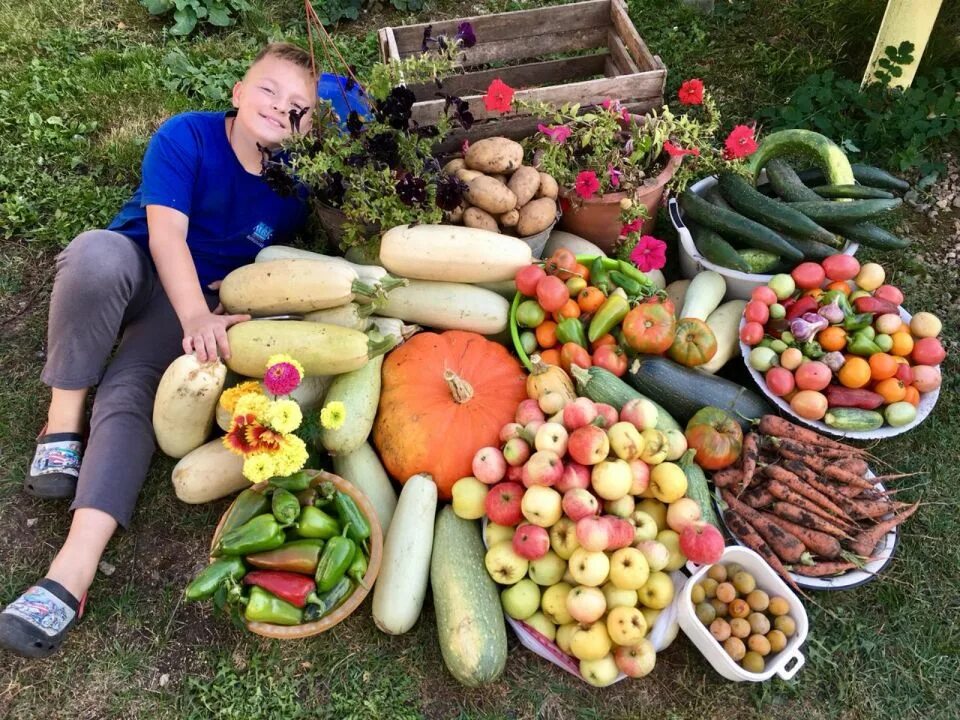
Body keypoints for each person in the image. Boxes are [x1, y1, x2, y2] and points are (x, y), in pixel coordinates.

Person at [0, 42, 317, 658]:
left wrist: (218, 303)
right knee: (94, 257)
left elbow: (273, 266)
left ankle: (72, 569)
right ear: (236, 92)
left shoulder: (293, 191)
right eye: (269, 90)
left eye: (300, 107)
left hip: (188, 308)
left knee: (135, 395)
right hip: (139, 264)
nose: (282, 108)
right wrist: (199, 313)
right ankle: (61, 425)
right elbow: (167, 232)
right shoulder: (186, 137)